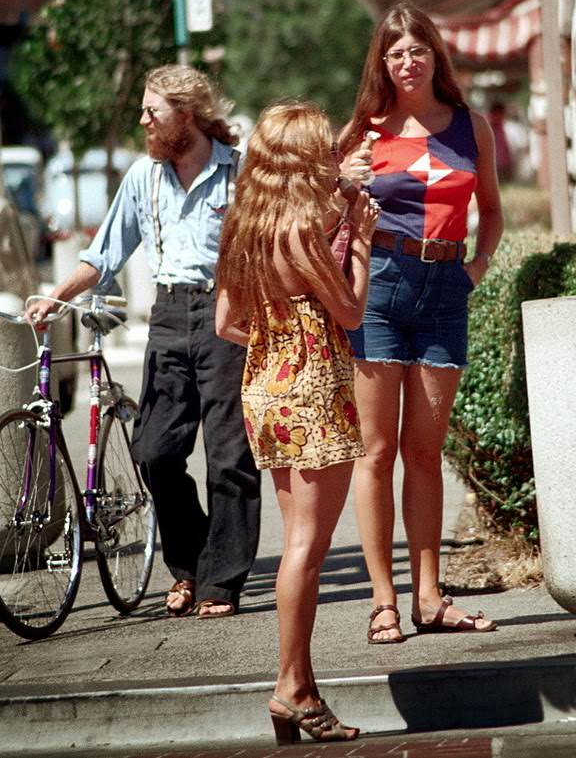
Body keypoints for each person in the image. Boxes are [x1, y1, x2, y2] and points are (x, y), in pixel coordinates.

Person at [26, 65, 261, 620]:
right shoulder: (143, 178)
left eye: (152, 111)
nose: (143, 120)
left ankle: (218, 582)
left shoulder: (239, 171)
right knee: (152, 452)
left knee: (229, 457)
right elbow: (103, 253)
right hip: (169, 313)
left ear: (187, 113)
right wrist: (56, 296)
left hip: (228, 312)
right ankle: (196, 558)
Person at [339, 0, 504, 644]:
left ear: (435, 56)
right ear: (382, 63)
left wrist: (477, 267)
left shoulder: (470, 126)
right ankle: (384, 599)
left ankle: (429, 596)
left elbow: (489, 209)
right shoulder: (364, 129)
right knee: (377, 453)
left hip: (444, 287)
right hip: (378, 285)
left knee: (426, 452)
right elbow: (329, 211)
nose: (408, 62)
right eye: (396, 53)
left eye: (418, 51)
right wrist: (343, 180)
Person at [215, 100, 379, 743]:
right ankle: (291, 687)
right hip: (313, 386)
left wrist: (277, 335)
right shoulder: (303, 232)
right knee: (307, 548)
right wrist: (360, 235)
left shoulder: (247, 225)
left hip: (264, 385)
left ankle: (300, 686)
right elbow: (352, 311)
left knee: (296, 545)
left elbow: (226, 322)